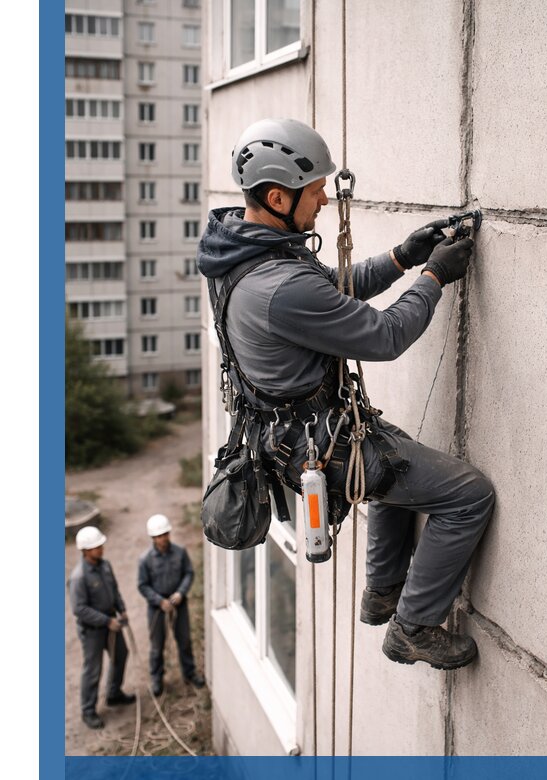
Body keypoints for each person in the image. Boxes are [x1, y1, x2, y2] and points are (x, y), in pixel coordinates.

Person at [197, 118, 495, 670]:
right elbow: (385, 336)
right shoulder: (279, 284)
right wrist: (433, 278)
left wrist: (403, 257)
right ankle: (413, 628)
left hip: (295, 433)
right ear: (278, 197)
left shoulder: (243, 249)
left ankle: (383, 592)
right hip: (318, 444)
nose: (324, 202)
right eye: (315, 192)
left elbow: (328, 293)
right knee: (467, 495)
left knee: (395, 469)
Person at [68, 526, 135, 729]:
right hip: (93, 631)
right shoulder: (79, 577)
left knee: (121, 655)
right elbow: (79, 609)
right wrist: (106, 621)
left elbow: (114, 589)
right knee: (93, 669)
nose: (101, 548)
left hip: (112, 624)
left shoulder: (105, 565)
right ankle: (88, 710)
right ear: (85, 551)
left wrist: (121, 609)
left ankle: (113, 694)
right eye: (97, 547)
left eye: (101, 545)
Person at [137, 514, 205, 696]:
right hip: (157, 607)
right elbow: (142, 585)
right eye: (159, 536)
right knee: (157, 645)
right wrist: (159, 601)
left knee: (184, 641)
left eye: (165, 534)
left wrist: (180, 593)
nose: (163, 539)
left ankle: (190, 673)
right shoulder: (145, 560)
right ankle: (157, 678)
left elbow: (189, 573)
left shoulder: (180, 552)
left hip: (178, 603)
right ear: (153, 538)